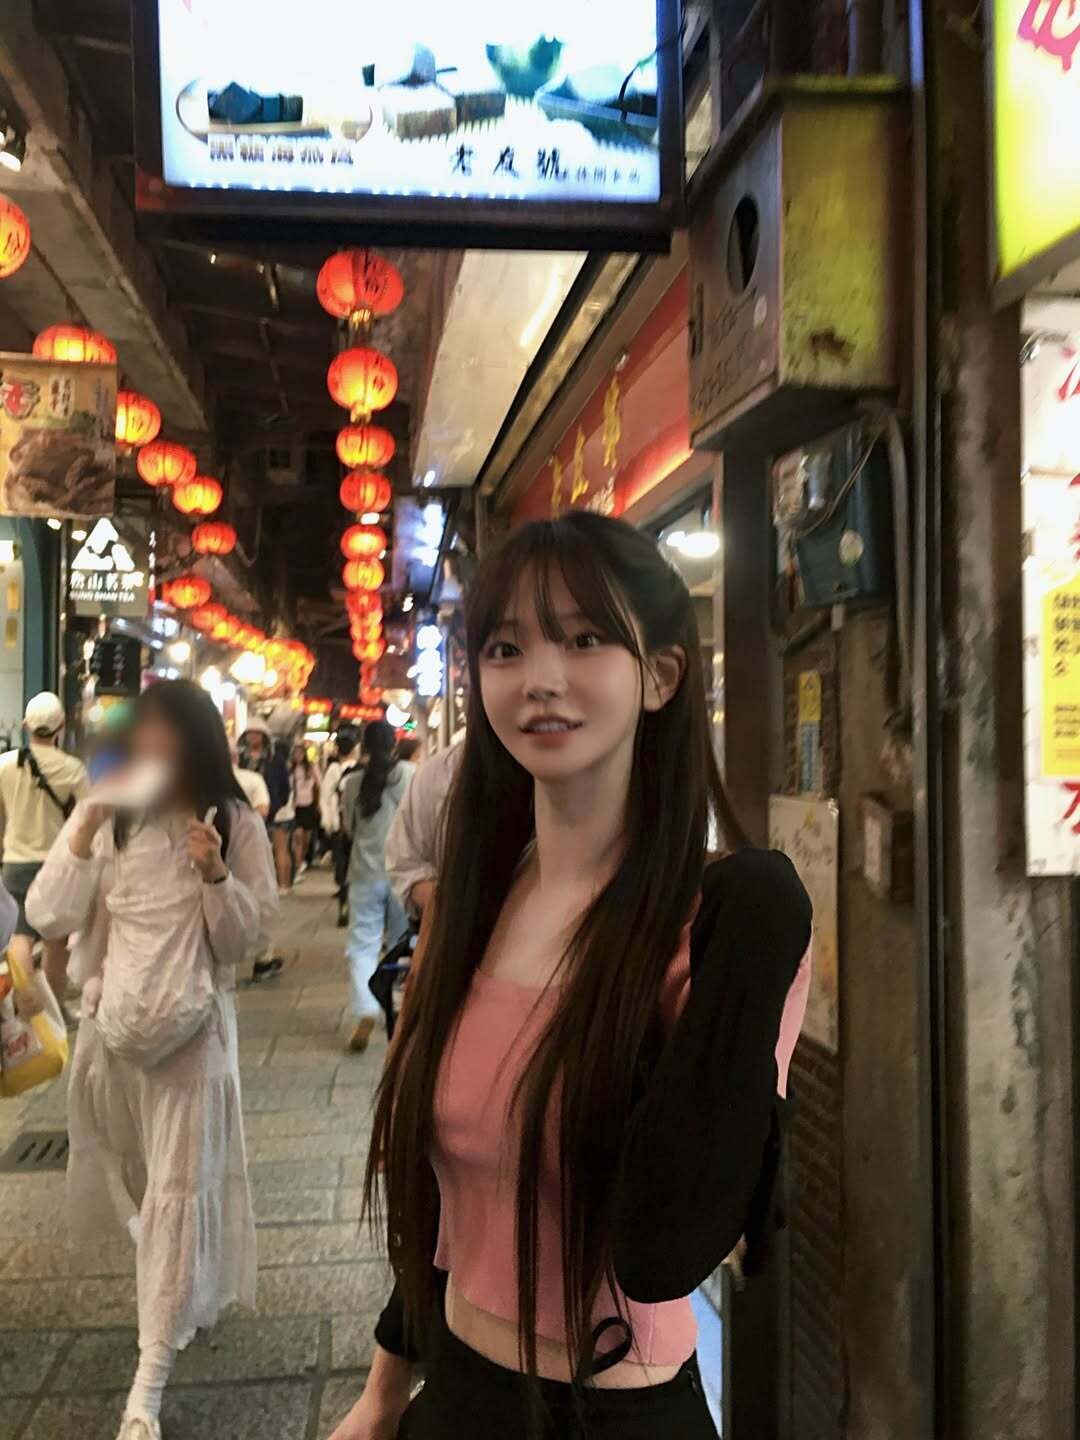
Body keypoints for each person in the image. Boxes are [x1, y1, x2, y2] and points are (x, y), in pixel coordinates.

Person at [331, 513, 812, 1440]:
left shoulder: (718, 928)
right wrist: (383, 1393)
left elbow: (671, 1243)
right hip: (455, 1395)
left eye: (585, 639)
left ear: (661, 676)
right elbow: (448, 1207)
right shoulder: (476, 902)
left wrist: (761, 930)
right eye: (507, 648)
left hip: (615, 1415)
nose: (540, 678)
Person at [26, 680, 278, 1440]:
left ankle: (147, 1386)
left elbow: (247, 940)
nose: (149, 750)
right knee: (140, 1186)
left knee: (175, 1195)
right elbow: (48, 913)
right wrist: (87, 821)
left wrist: (216, 876)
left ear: (194, 744)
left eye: (164, 737)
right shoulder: (115, 819)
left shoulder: (233, 821)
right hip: (112, 1039)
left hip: (193, 1046)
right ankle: (173, 1283)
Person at [0, 692, 89, 1011]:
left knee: (20, 936)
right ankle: (53, 1013)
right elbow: (86, 819)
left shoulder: (4, 765)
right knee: (57, 939)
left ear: (26, 725)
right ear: (61, 726)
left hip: (15, 861)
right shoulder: (73, 769)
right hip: (57, 865)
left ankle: (26, 1008)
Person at [339, 721, 414, 1054]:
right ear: (394, 743)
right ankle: (400, 1009)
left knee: (362, 945)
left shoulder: (352, 782)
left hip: (364, 873)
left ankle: (367, 1008)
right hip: (403, 873)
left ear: (364, 747)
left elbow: (348, 828)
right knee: (402, 943)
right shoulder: (409, 775)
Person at [235, 721, 285, 982]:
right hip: (248, 838)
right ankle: (263, 956)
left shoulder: (274, 762)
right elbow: (262, 807)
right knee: (259, 893)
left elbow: (280, 792)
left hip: (246, 836)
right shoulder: (248, 774)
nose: (253, 737)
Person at [320, 729, 359, 928]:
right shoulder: (360, 768)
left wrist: (329, 823)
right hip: (357, 827)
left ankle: (344, 907)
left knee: (343, 868)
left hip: (339, 827)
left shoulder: (333, 770)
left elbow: (325, 797)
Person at [290, 740, 319, 882]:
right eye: (295, 753)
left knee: (306, 840)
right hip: (295, 807)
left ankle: (301, 861)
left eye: (300, 753)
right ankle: (297, 867)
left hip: (309, 805)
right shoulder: (291, 769)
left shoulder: (312, 768)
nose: (298, 756)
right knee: (298, 837)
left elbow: (319, 784)